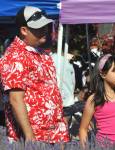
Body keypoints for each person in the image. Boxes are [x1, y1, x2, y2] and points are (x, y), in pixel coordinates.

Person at [0, 6, 69, 146]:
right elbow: (15, 99)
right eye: (38, 27)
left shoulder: (43, 54)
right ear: (24, 30)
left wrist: (60, 122)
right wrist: (30, 136)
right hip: (34, 138)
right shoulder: (15, 56)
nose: (44, 30)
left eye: (45, 26)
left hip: (53, 134)